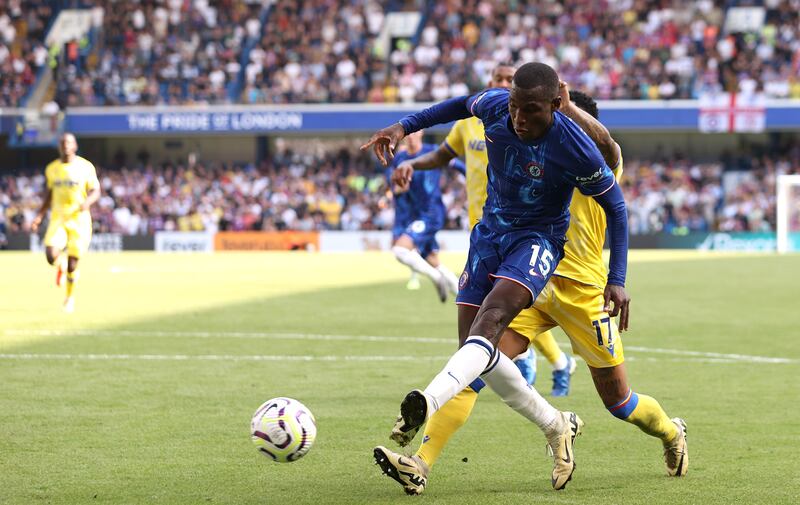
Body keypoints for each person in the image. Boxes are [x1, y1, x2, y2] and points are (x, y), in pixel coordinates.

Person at [373, 85, 688, 495]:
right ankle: (420, 463)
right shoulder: (526, 142)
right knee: (475, 361)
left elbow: (607, 147)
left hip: (583, 292)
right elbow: (460, 126)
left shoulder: (594, 155)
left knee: (619, 403)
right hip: (532, 281)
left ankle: (670, 432)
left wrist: (570, 108)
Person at [391, 62, 575, 395]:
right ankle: (542, 364)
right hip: (485, 225)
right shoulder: (475, 122)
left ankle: (545, 361)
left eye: (510, 79)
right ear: (491, 84)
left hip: (525, 230)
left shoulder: (532, 125)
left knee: (513, 305)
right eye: (500, 79)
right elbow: (444, 157)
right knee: (494, 312)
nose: (505, 83)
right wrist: (411, 164)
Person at [386, 130, 461, 302]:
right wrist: (398, 189)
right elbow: (395, 188)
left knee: (400, 249)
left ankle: (435, 278)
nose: (411, 136)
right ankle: (468, 302)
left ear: (421, 133)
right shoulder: (400, 158)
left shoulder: (432, 151)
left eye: (415, 133)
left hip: (431, 213)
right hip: (414, 216)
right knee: (433, 260)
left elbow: (458, 165)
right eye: (408, 134)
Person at [31, 133, 100, 313]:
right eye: (62, 143)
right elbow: (49, 195)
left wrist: (87, 203)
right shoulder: (52, 168)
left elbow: (95, 191)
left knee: (73, 263)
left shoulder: (86, 167)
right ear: (59, 147)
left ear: (75, 146)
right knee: (50, 254)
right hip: (59, 217)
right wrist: (39, 216)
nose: (66, 146)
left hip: (79, 218)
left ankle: (69, 298)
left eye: (69, 142)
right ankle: (59, 265)